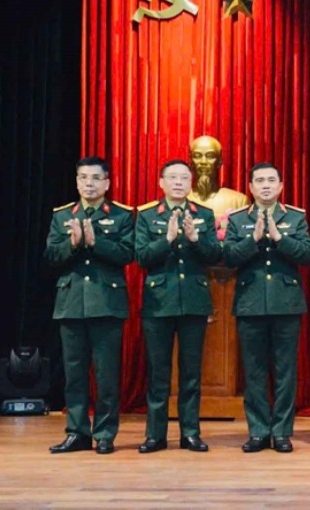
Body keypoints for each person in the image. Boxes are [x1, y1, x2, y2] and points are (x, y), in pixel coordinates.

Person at [44, 156, 134, 455]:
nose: (89, 183)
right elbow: (51, 257)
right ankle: (77, 432)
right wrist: (72, 243)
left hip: (106, 302)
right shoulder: (62, 216)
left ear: (107, 183)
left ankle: (105, 434)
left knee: (107, 375)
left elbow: (127, 254)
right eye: (83, 178)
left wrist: (96, 243)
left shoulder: (120, 215)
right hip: (70, 303)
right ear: (77, 181)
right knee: (74, 374)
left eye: (96, 178)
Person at [223, 163, 310, 453]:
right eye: (259, 181)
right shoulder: (238, 220)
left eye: (271, 180)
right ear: (250, 187)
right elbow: (230, 258)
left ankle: (282, 432)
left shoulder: (295, 217)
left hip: (286, 305)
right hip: (250, 304)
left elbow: (307, 255)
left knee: (286, 372)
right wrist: (253, 239)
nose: (265, 185)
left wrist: (278, 237)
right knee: (254, 372)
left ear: (281, 186)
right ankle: (259, 431)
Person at [135, 159, 221, 453]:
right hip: (159, 303)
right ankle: (155, 435)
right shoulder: (147, 215)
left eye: (185, 178)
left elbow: (215, 255)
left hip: (194, 303)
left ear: (191, 182)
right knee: (158, 373)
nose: (179, 183)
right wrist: (168, 239)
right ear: (161, 182)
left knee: (191, 373)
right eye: (172, 177)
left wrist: (196, 239)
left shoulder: (204, 214)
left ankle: (190, 433)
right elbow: (142, 257)